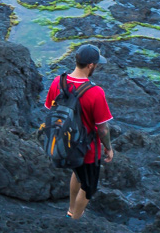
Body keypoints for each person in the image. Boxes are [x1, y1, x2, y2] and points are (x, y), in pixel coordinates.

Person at [44, 44, 114, 219]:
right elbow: (102, 128)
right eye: (97, 64)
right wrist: (108, 148)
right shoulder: (96, 92)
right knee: (89, 187)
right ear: (90, 65)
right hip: (88, 150)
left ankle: (70, 209)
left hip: (65, 143)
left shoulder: (57, 82)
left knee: (77, 173)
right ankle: (74, 219)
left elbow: (51, 111)